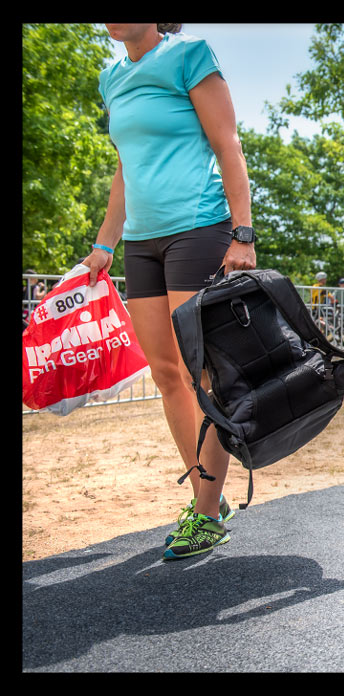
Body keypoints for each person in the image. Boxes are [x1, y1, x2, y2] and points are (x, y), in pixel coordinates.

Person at [81, 24, 256, 560]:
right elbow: (124, 169)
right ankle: (210, 494)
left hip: (198, 227)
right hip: (141, 239)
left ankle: (203, 514)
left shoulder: (189, 56)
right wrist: (104, 243)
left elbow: (228, 143)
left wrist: (242, 231)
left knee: (199, 370)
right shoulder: (112, 77)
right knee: (164, 373)